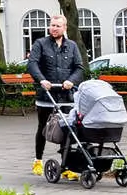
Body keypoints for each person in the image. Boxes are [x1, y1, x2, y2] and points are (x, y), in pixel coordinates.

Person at [27, 12, 86, 173]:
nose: (54, 28)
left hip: (66, 95)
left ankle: (66, 165)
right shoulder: (40, 44)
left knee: (67, 128)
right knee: (43, 127)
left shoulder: (72, 46)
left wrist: (71, 81)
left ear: (64, 28)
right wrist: (41, 80)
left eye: (57, 26)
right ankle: (38, 160)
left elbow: (79, 68)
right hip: (46, 94)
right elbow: (32, 64)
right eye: (52, 25)